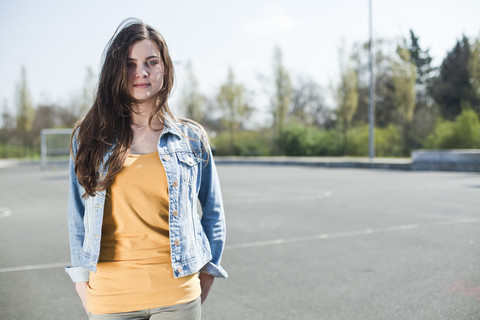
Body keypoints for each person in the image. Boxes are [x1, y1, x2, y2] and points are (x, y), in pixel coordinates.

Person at [65, 18, 227, 319]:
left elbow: (213, 213)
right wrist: (81, 284)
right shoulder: (88, 137)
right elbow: (78, 215)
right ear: (115, 71)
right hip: (111, 297)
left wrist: (206, 276)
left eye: (151, 62)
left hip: (177, 295)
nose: (140, 72)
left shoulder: (192, 139)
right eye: (129, 64)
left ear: (164, 68)